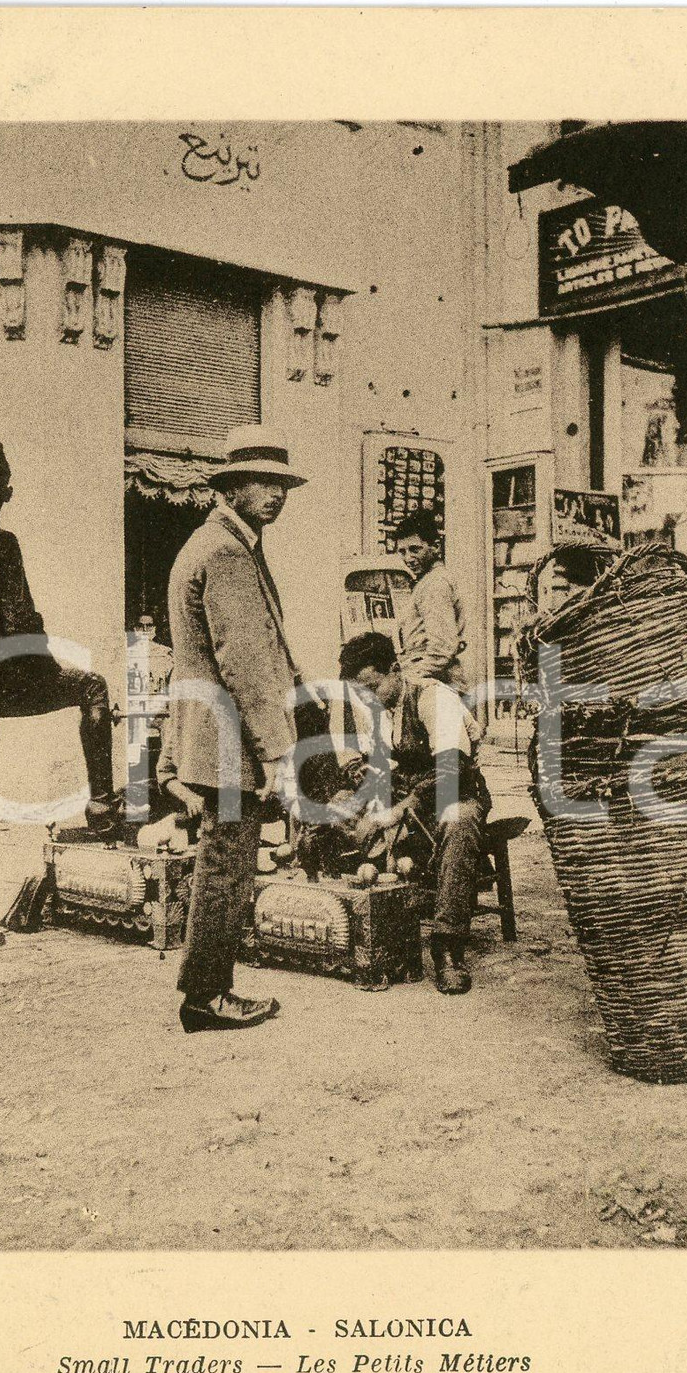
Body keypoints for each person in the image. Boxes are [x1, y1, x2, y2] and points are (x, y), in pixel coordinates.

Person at [0, 438, 118, 959]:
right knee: (92, 687)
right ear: (6, 491)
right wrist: (47, 672)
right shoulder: (1, 541)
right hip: (2, 680)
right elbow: (22, 622)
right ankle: (102, 805)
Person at [167, 424, 306, 1032]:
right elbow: (243, 662)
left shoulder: (222, 544)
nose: (273, 493)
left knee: (221, 859)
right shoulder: (224, 552)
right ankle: (206, 996)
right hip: (228, 737)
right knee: (227, 862)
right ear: (233, 485)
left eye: (280, 483)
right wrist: (277, 753)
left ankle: (205, 987)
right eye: (260, 481)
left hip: (214, 732)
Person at [335, 631, 492, 995]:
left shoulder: (434, 697)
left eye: (371, 688)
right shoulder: (383, 707)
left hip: (457, 791)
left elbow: (452, 769)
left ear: (394, 669)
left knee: (458, 820)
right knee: (341, 806)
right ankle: (358, 919)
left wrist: (403, 808)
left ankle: (447, 948)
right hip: (411, 792)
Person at [395, 508, 470, 690]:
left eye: (415, 549)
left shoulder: (435, 584)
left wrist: (408, 680)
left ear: (436, 546)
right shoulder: (429, 581)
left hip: (436, 683)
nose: (408, 558)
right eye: (402, 552)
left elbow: (442, 648)